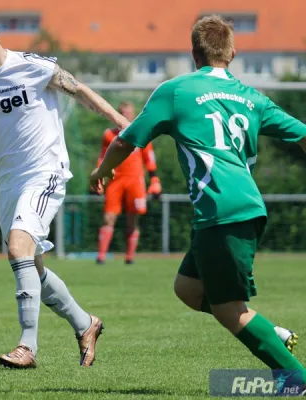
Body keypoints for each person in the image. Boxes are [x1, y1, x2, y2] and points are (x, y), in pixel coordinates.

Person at [91, 14, 304, 377]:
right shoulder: (252, 98)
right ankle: (270, 332)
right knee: (188, 288)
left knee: (229, 309)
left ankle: (294, 378)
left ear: (194, 53)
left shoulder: (176, 91)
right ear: (232, 53)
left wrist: (102, 170)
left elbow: (126, 138)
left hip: (222, 211)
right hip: (244, 208)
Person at [0, 14, 130, 369]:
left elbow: (79, 90)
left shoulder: (34, 67)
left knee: (19, 245)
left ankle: (27, 347)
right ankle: (86, 324)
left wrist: (121, 123)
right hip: (10, 184)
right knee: (31, 265)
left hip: (45, 173)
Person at [94, 101, 162, 265]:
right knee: (109, 217)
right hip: (115, 180)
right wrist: (99, 175)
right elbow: (103, 157)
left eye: (128, 113)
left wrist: (154, 180)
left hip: (135, 180)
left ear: (133, 114)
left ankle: (130, 257)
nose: (126, 116)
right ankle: (101, 256)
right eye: (122, 112)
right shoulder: (109, 135)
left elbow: (149, 158)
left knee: (133, 218)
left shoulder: (141, 133)